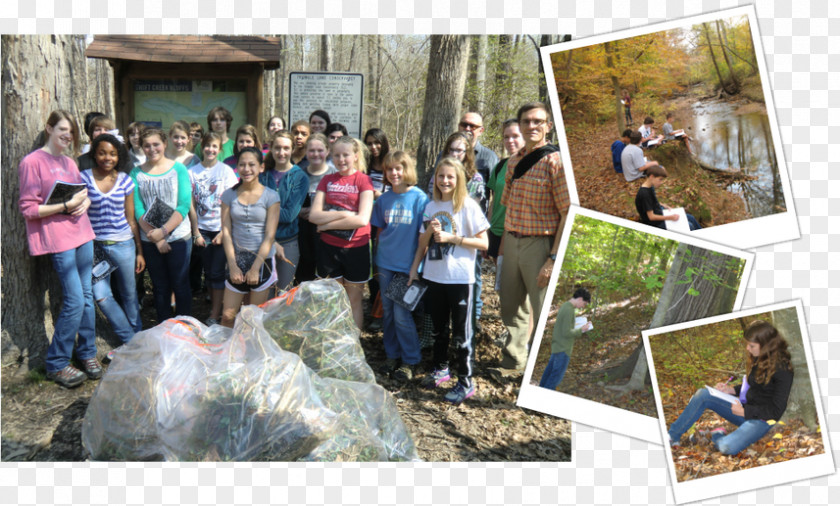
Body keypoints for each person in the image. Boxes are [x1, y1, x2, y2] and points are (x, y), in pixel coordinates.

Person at [19, 110, 100, 388]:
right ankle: (56, 363)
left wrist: (85, 202)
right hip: (58, 239)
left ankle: (87, 353)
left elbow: (83, 193)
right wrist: (65, 206)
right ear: (49, 128)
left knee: (87, 296)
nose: (68, 135)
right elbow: (29, 209)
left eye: (72, 132)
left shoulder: (69, 162)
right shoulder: (32, 162)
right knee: (75, 300)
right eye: (63, 129)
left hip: (83, 233)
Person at [491, 102, 570, 382]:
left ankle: (541, 375)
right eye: (527, 121)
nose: (532, 126)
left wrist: (552, 258)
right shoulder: (513, 161)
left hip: (541, 244)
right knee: (511, 305)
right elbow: (507, 208)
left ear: (548, 125)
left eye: (539, 121)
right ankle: (513, 362)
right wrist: (502, 249)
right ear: (520, 125)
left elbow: (566, 213)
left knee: (542, 309)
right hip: (512, 241)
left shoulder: (556, 162)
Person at [409, 157, 489, 404]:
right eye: (441, 176)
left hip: (460, 279)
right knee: (439, 331)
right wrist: (414, 270)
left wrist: (453, 238)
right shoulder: (431, 206)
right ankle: (441, 370)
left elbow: (484, 243)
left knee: (462, 335)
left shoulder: (468, 206)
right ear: (435, 179)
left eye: (450, 177)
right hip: (433, 276)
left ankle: (465, 382)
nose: (445, 181)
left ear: (459, 180)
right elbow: (423, 242)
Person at [668, 321, 794, 456]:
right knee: (703, 394)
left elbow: (776, 410)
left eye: (751, 346)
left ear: (766, 345)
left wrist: (745, 412)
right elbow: (755, 385)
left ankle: (716, 435)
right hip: (744, 408)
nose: (747, 349)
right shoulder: (761, 357)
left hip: (762, 419)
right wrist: (732, 390)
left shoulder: (783, 370)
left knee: (727, 447)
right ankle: (672, 436)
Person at [80, 133, 144, 361]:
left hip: (123, 245)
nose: (107, 158)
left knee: (128, 294)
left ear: (119, 156)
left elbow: (131, 219)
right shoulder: (83, 178)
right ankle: (131, 341)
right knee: (102, 296)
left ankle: (137, 340)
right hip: (94, 248)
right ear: (94, 154)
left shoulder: (126, 180)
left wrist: (139, 250)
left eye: (112, 154)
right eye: (102, 153)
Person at [370, 151, 429, 381]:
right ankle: (391, 355)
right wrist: (375, 262)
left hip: (408, 266)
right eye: (389, 169)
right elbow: (379, 233)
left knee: (402, 315)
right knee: (388, 314)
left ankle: (410, 360)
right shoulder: (383, 200)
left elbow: (423, 239)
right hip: (385, 264)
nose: (394, 173)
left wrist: (416, 267)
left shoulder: (419, 199)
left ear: (407, 170)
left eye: (398, 168)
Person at [309, 136, 374, 330]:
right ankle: (334, 344)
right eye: (336, 155)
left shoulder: (363, 180)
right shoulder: (327, 180)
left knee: (354, 300)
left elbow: (362, 219)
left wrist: (327, 224)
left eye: (346, 155)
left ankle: (353, 346)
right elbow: (314, 216)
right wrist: (346, 214)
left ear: (355, 156)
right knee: (332, 300)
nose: (341, 159)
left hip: (356, 248)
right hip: (329, 249)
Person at [130, 128, 193, 321]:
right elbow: (138, 208)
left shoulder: (179, 170)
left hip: (178, 236)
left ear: (164, 144)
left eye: (156, 144)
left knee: (180, 284)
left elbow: (183, 205)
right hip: (150, 239)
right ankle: (164, 328)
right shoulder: (136, 173)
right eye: (146, 145)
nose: (152, 149)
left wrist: (164, 231)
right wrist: (156, 238)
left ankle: (185, 328)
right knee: (160, 286)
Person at [220, 147, 281, 327]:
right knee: (228, 316)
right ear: (237, 167)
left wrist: (255, 267)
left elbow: (270, 236)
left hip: (262, 262)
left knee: (253, 320)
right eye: (242, 165)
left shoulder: (271, 196)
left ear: (261, 168)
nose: (246, 169)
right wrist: (232, 265)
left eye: (251, 165)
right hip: (237, 260)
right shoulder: (228, 195)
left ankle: (251, 354)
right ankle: (226, 353)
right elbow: (226, 231)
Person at [189, 132, 238, 325]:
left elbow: (232, 201)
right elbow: (191, 204)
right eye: (207, 145)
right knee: (209, 273)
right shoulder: (192, 172)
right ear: (202, 146)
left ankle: (214, 314)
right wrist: (196, 232)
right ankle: (214, 306)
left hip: (220, 228)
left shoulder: (225, 171)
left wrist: (223, 231)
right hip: (201, 229)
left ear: (220, 149)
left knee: (217, 273)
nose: (210, 149)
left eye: (214, 146)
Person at [260, 130, 309, 292]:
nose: (282, 153)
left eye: (286, 148)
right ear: (271, 149)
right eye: (278, 148)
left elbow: (289, 215)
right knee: (262, 292)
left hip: (287, 241)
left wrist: (261, 209)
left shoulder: (300, 177)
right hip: (260, 239)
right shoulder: (262, 175)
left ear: (292, 149)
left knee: (282, 293)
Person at [295, 133, 337, 284]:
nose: (316, 154)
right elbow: (291, 202)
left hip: (326, 230)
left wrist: (319, 211)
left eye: (320, 150)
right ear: (306, 152)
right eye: (311, 150)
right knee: (304, 272)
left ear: (327, 151)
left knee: (324, 275)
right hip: (303, 231)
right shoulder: (299, 174)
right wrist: (299, 211)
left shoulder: (334, 174)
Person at [539, 288, 592, 390]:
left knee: (548, 376)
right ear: (580, 299)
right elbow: (566, 332)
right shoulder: (569, 310)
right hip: (563, 349)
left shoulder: (565, 306)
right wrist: (582, 329)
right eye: (584, 304)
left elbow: (565, 328)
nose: (583, 307)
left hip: (557, 347)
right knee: (554, 380)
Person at [635, 165, 701, 231]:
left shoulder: (650, 186)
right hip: (656, 223)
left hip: (661, 212)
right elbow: (651, 217)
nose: (661, 182)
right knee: (690, 226)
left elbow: (652, 202)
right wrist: (670, 217)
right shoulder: (644, 194)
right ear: (652, 176)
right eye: (660, 179)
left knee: (691, 218)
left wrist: (665, 205)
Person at [456, 111, 499, 184]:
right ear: (459, 126)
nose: (467, 129)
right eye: (464, 125)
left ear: (481, 131)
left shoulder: (490, 157)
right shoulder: (445, 154)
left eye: (472, 126)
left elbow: (495, 189)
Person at [364, 128, 390, 198]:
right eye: (369, 144)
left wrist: (380, 196)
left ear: (383, 143)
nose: (373, 147)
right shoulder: (363, 165)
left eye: (376, 142)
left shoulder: (391, 163)